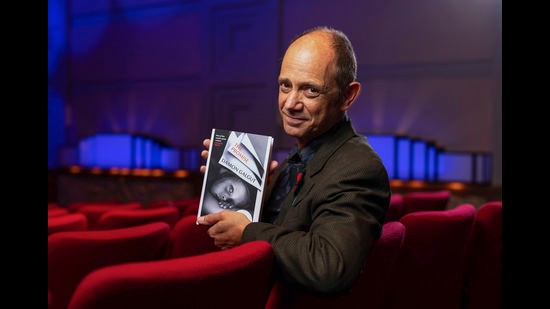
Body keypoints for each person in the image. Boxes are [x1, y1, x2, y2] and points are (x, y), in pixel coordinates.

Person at [197, 26, 390, 297]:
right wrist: (255, 201)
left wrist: (249, 232)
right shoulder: (301, 155)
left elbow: (329, 268)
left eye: (310, 90)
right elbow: (290, 228)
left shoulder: (358, 168)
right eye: (285, 85)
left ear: (348, 96)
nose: (289, 103)